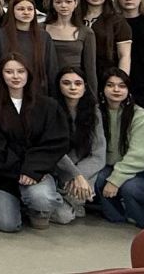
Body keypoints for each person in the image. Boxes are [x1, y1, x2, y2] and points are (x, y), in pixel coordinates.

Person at [0, 55, 74, 232]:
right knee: (6, 224)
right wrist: (19, 171)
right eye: (9, 72)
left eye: (21, 71)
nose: (15, 76)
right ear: (1, 75)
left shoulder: (48, 106)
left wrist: (32, 169)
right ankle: (16, 204)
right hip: (1, 176)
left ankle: (35, 206)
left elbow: (55, 142)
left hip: (35, 172)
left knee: (42, 199)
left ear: (28, 74)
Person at [94, 69, 144, 229]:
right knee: (98, 178)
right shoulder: (96, 112)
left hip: (137, 169)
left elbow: (140, 156)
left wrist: (115, 180)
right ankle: (116, 217)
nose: (116, 90)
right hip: (106, 166)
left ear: (128, 90)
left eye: (122, 86)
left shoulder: (140, 115)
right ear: (102, 89)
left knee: (132, 188)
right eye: (110, 85)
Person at [48, 65, 106, 218]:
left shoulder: (94, 112)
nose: (73, 87)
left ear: (85, 87)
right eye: (66, 83)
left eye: (78, 83)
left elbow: (98, 154)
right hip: (56, 170)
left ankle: (72, 202)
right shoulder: (50, 110)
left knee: (77, 198)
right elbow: (54, 151)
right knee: (64, 216)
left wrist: (80, 177)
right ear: (58, 86)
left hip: (83, 169)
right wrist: (74, 176)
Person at [0, 0, 51, 98]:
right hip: (7, 92)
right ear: (12, 11)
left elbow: (51, 67)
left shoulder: (43, 36)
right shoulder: (1, 35)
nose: (26, 12)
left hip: (38, 92)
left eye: (30, 9)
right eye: (20, 9)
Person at [43, 0, 98, 89]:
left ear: (75, 3)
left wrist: (93, 95)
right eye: (58, 2)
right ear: (52, 4)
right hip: (47, 83)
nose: (63, 5)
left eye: (68, 1)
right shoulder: (41, 29)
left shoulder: (86, 32)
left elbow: (90, 68)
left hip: (73, 85)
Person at [80, 0, 133, 78]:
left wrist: (120, 81)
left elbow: (124, 56)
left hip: (107, 77)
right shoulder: (74, 17)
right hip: (78, 76)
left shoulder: (117, 21)